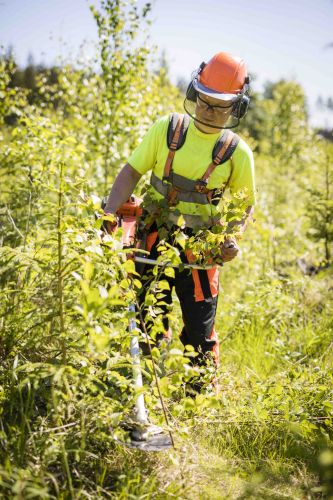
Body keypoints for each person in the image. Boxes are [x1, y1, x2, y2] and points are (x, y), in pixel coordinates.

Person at [103, 52, 256, 393]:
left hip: (202, 250)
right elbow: (131, 172)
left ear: (236, 107)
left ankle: (197, 399)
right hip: (153, 238)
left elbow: (244, 205)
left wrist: (232, 238)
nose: (207, 110)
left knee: (199, 332)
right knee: (145, 318)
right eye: (203, 100)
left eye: (218, 105)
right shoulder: (167, 129)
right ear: (194, 91)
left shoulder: (236, 152)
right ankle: (137, 387)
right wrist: (108, 214)